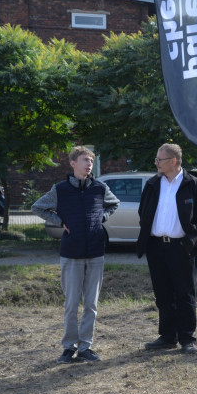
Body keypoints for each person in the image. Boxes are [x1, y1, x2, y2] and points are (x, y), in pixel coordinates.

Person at [32, 146, 119, 364]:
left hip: (96, 253)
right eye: (84, 160)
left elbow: (114, 204)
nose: (89, 164)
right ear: (73, 163)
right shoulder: (60, 189)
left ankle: (86, 347)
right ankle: (68, 347)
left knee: (91, 304)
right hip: (71, 254)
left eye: (91, 160)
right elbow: (38, 207)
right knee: (71, 304)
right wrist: (60, 222)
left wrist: (102, 218)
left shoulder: (100, 188)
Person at [136, 143, 197, 355]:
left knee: (185, 294)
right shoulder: (153, 184)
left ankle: (187, 338)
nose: (156, 163)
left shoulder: (194, 185)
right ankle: (167, 336)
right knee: (162, 294)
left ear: (173, 161)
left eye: (159, 160)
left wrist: (192, 240)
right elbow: (142, 211)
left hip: (182, 248)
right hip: (156, 247)